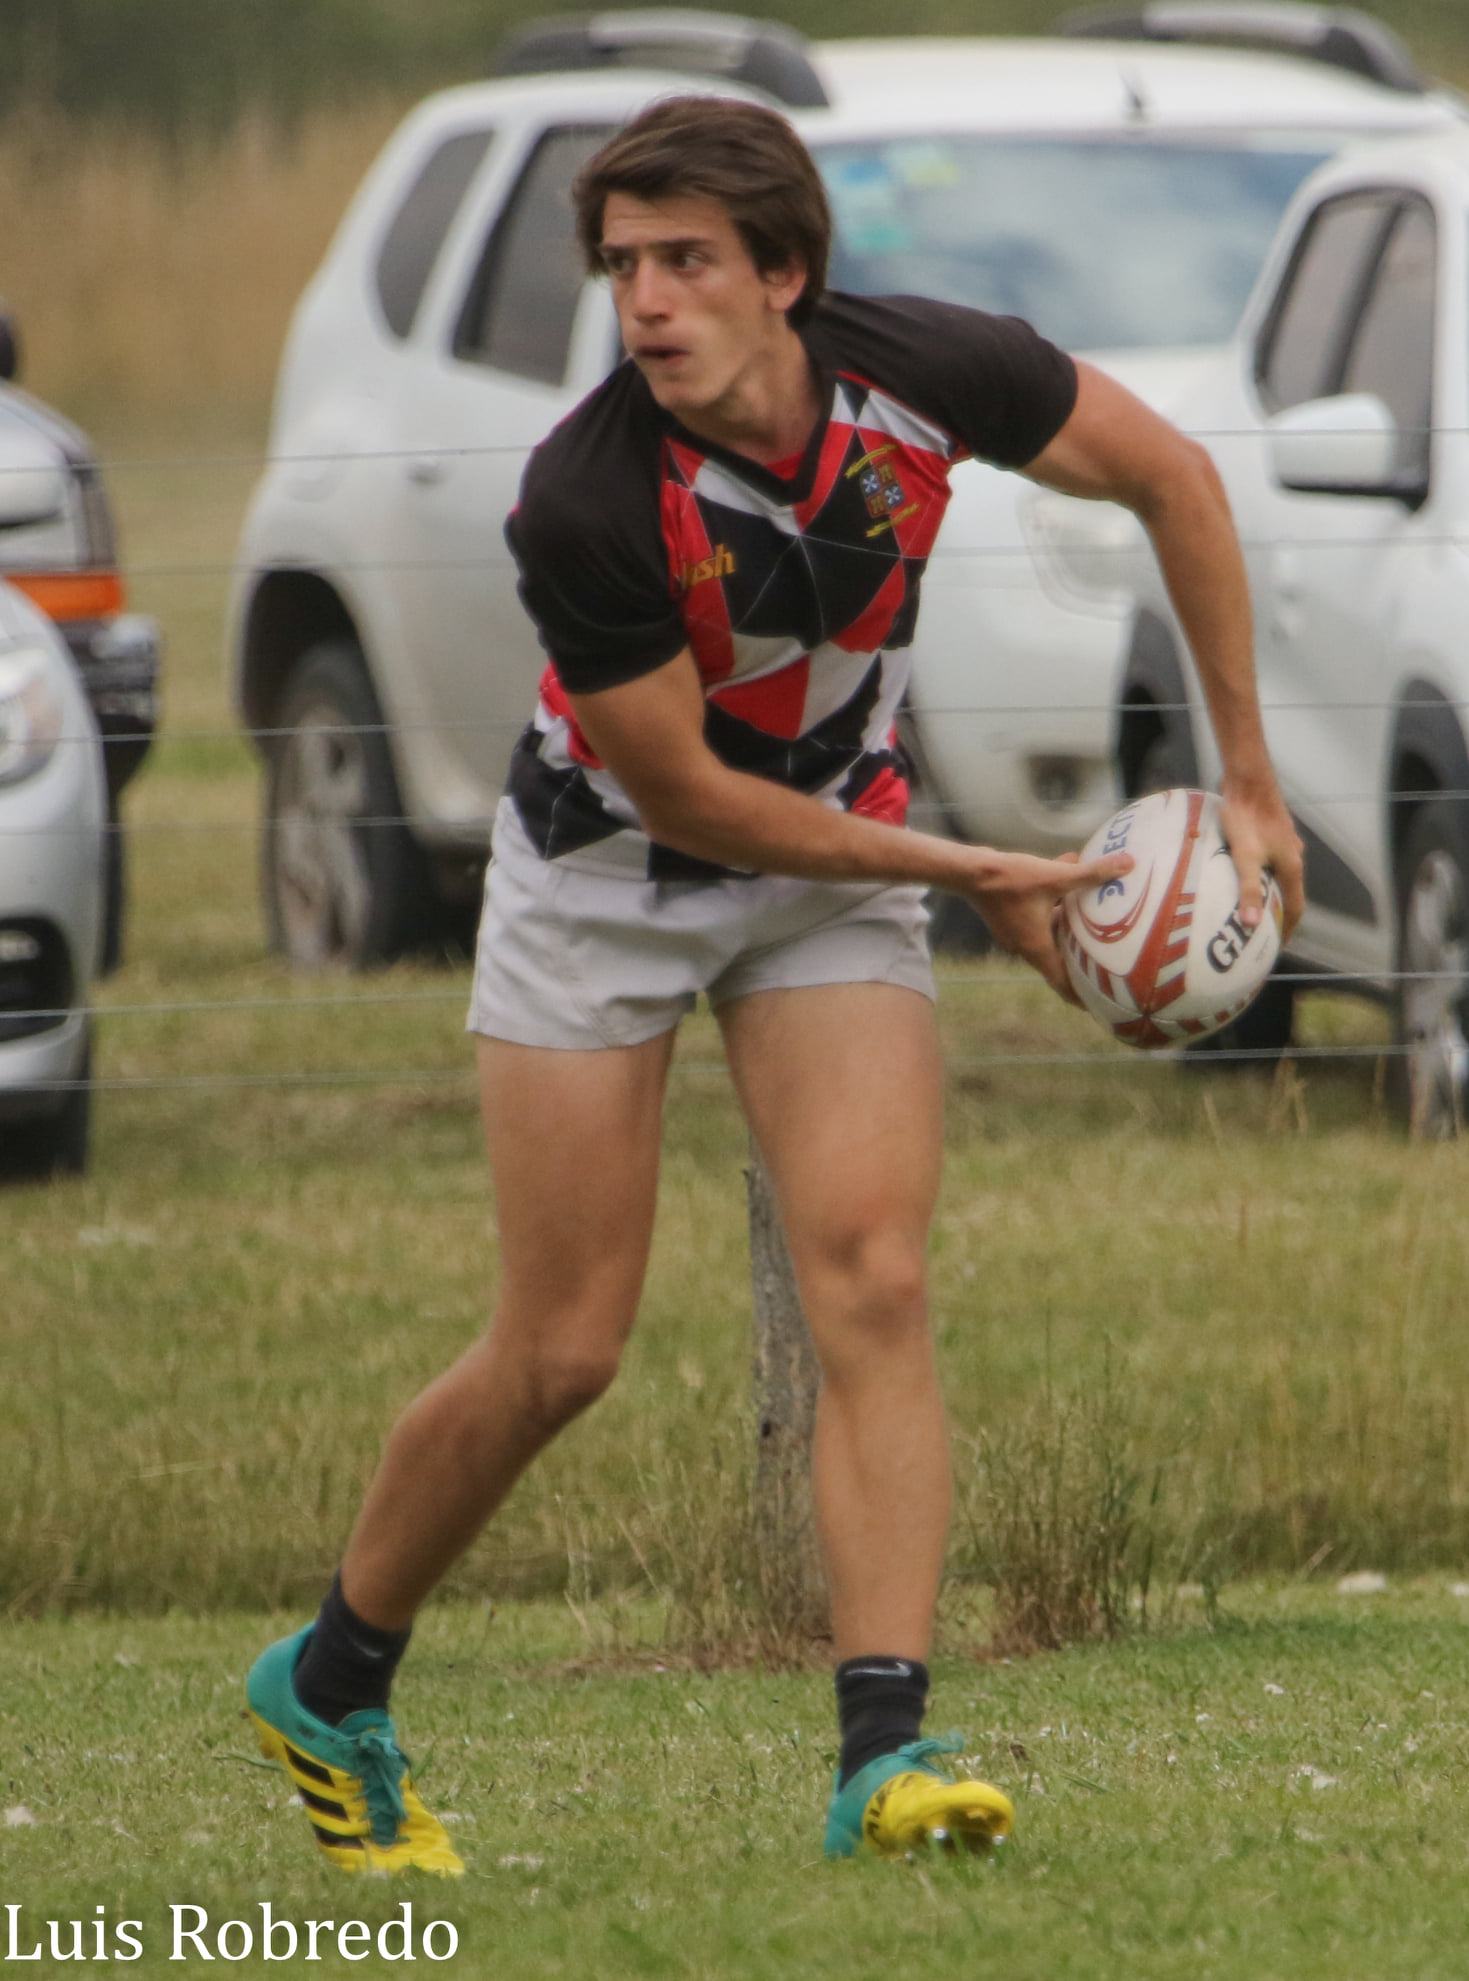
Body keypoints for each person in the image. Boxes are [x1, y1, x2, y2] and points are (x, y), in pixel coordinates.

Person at [245, 94, 1305, 1873]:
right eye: (623, 266)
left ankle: (886, 1756)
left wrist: (1251, 781)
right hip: (608, 880)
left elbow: (1174, 479)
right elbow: (691, 799)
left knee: (875, 1276)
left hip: (833, 872)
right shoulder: (588, 496)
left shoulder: (930, 374)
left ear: (785, 273)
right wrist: (973, 872)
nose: (647, 302)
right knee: (562, 1349)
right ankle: (330, 1672)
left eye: (687, 262)